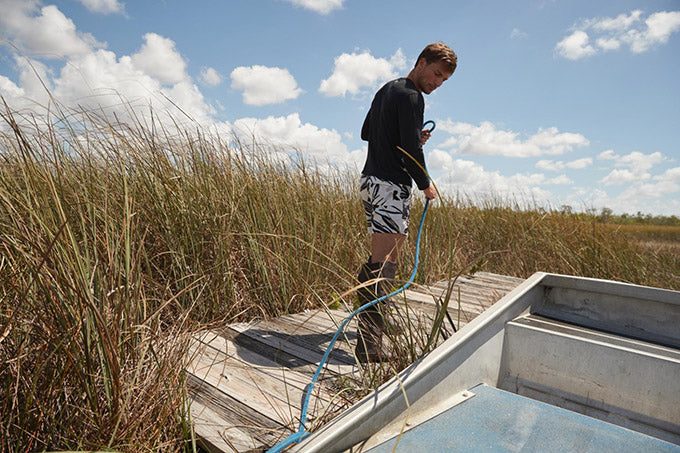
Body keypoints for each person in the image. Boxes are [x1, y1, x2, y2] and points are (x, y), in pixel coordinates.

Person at [355, 42, 457, 363]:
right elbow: (411, 151)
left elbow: (366, 132)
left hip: (370, 181)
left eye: (443, 80)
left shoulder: (388, 89)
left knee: (381, 259)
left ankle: (373, 328)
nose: (437, 83)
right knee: (385, 264)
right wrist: (425, 183)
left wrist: (408, 134)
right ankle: (369, 345)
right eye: (436, 74)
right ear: (421, 62)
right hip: (390, 184)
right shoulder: (412, 96)